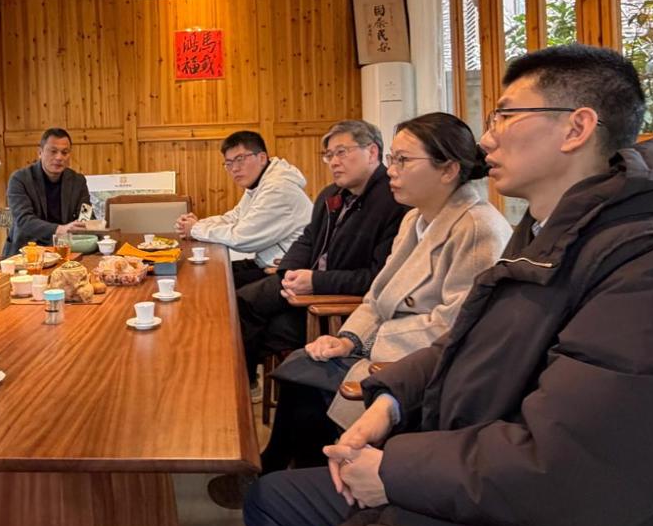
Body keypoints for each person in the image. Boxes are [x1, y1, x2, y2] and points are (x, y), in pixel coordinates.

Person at [244, 44, 653, 526]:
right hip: (461, 453)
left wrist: (394, 470)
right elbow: (465, 338)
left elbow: (567, 463)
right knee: (274, 497)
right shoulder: (545, 230)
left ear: (576, 128)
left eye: (505, 116)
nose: (487, 138)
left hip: (539, 517)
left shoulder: (648, 261)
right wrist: (392, 398)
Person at [242, 113, 510, 495]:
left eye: (403, 160)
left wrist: (366, 344)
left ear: (449, 169)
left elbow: (453, 328)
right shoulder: (414, 220)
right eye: (391, 160)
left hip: (415, 365)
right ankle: (288, 472)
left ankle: (304, 480)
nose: (392, 171)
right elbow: (377, 295)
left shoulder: (478, 228)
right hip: (382, 344)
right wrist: (347, 339)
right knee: (300, 366)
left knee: (306, 380)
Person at [236, 120, 407, 393]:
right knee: (241, 300)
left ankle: (245, 388)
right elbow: (307, 239)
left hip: (339, 305)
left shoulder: (393, 201)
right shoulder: (331, 194)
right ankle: (243, 386)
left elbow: (377, 279)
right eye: (329, 155)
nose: (334, 162)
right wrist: (289, 272)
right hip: (307, 288)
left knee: (263, 324)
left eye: (342, 152)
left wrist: (316, 282)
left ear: (372, 152)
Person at [175, 131, 313, 288]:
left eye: (240, 159)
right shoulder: (259, 184)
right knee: (206, 274)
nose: (234, 168)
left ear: (262, 158)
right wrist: (198, 224)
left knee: (217, 290)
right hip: (267, 264)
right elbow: (234, 217)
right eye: (228, 163)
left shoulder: (278, 188)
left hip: (289, 273)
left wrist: (195, 229)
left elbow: (242, 238)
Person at [4, 127, 91, 256]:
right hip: (26, 251)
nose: (59, 157)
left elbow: (86, 213)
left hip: (64, 250)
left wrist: (87, 225)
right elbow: (24, 220)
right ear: (40, 153)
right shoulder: (19, 179)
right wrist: (60, 229)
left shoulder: (78, 181)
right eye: (53, 151)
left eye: (64, 152)